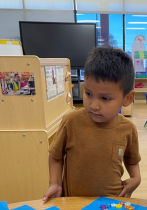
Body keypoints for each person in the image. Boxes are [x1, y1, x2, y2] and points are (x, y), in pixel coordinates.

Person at [43, 47, 141, 201]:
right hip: (72, 202)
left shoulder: (128, 129)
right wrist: (54, 183)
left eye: (105, 98)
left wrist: (136, 178)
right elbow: (55, 156)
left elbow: (132, 159)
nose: (94, 105)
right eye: (88, 94)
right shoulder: (71, 121)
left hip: (111, 204)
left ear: (128, 99)